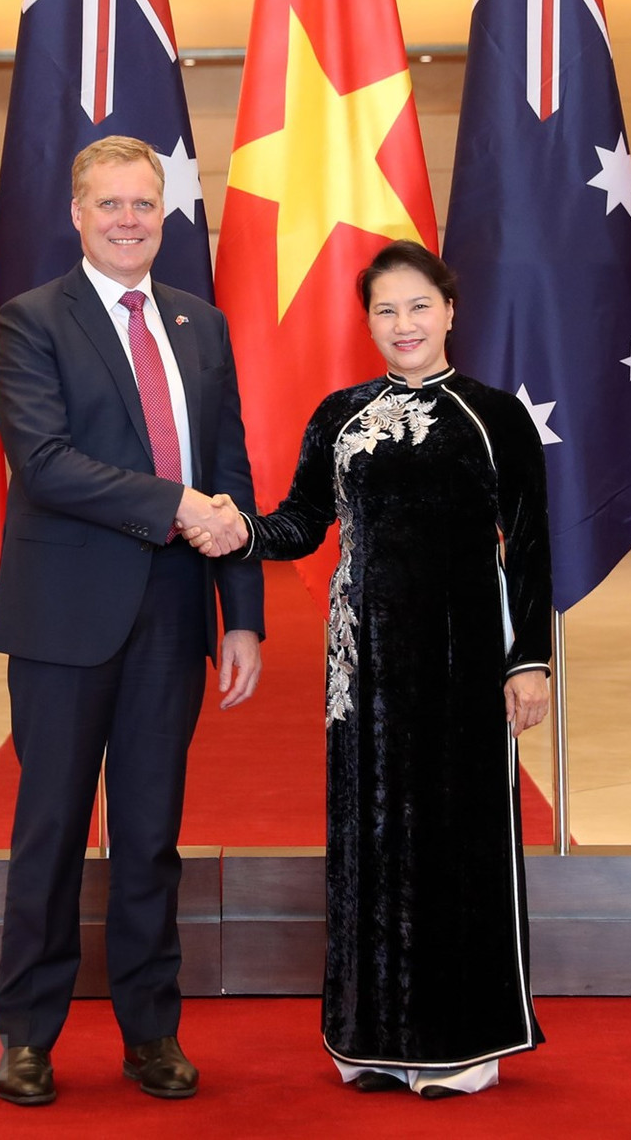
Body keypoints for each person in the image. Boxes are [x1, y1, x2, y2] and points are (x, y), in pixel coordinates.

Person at [185, 240, 552, 1099]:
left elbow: (530, 549)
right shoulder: (340, 414)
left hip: (463, 668)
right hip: (362, 674)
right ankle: (372, 1036)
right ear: (369, 323)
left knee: (459, 843)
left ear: (450, 310)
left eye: (418, 306)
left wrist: (528, 662)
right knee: (370, 842)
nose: (403, 325)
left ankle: (462, 1040)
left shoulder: (496, 417)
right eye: (385, 311)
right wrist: (237, 529)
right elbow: (303, 522)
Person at [0, 135, 263, 1106]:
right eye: (111, 204)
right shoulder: (31, 322)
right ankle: (27, 1033)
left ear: (164, 211)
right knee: (52, 829)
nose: (130, 220)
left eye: (145, 204)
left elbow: (230, 469)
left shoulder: (200, 323)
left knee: (150, 835)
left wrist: (243, 613)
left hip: (175, 616)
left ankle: (152, 1030)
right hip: (63, 618)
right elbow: (45, 460)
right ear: (76, 212)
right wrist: (175, 505)